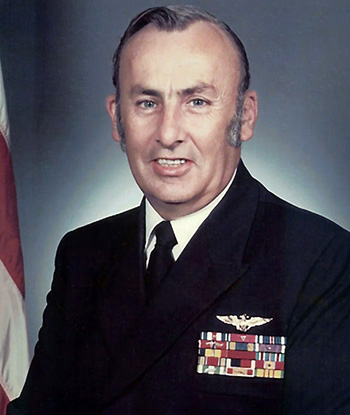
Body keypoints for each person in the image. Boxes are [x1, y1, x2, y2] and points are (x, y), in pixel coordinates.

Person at [7, 5, 350, 415]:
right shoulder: (83, 253)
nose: (168, 134)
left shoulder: (321, 259)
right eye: (147, 103)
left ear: (244, 116)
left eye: (198, 101)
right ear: (118, 118)